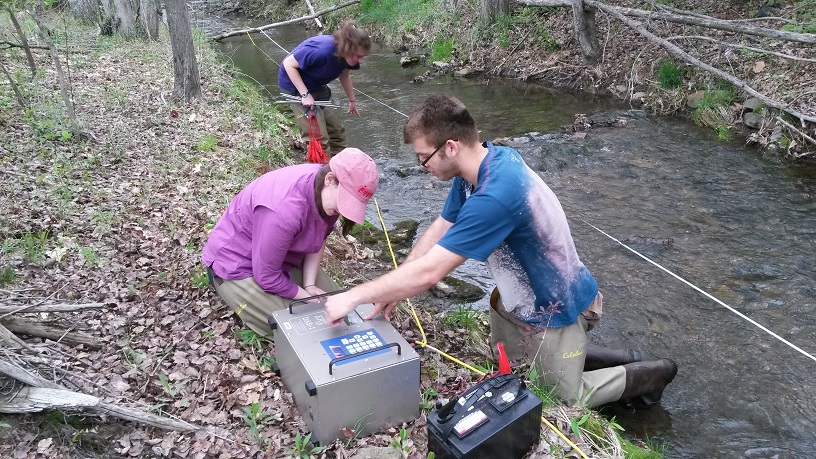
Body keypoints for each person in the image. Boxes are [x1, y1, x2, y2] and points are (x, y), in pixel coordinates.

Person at [325, 95, 678, 408]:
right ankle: (614, 356)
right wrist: (393, 291)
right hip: (517, 299)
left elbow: (432, 273)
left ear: (450, 146)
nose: (422, 167)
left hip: (559, 306)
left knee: (561, 396)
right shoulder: (480, 167)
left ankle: (651, 374)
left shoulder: (496, 194)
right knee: (513, 366)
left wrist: (354, 296)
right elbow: (441, 227)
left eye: (423, 157)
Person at [202, 148, 379, 336]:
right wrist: (307, 298)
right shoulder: (283, 210)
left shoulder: (324, 192)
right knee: (301, 327)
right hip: (237, 263)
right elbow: (267, 276)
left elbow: (320, 237)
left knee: (347, 310)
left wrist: (310, 285)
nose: (343, 210)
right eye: (344, 201)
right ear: (329, 179)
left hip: (284, 253)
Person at [278, 20, 371, 157]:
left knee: (337, 134)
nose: (360, 60)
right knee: (319, 139)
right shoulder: (322, 51)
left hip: (317, 85)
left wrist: (352, 101)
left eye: (362, 56)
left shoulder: (350, 57)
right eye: (358, 56)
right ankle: (321, 175)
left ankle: (338, 170)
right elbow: (288, 64)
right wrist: (304, 95)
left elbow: (344, 75)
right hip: (296, 87)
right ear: (347, 48)